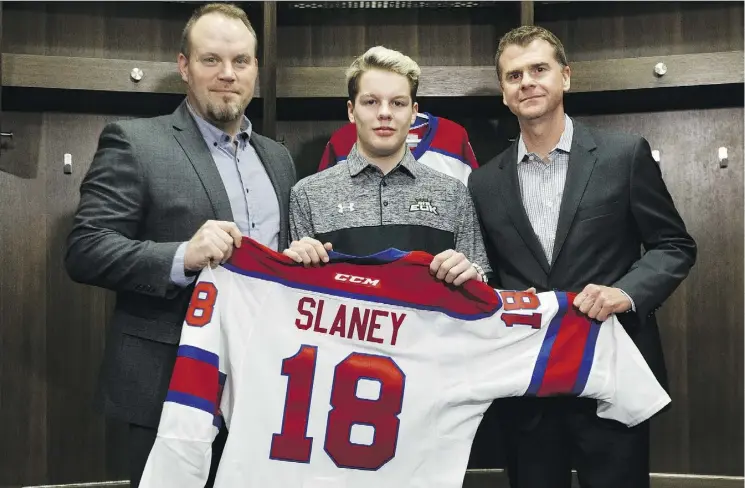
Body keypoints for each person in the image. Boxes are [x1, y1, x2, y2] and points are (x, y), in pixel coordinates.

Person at [64, 4, 296, 487]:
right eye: (211, 60)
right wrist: (180, 257)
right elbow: (85, 248)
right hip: (166, 386)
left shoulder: (277, 158)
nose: (227, 74)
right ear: (184, 66)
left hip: (262, 388)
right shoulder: (135, 141)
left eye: (241, 61)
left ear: (257, 68)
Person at [468, 25, 697, 488]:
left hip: (612, 372)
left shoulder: (622, 155)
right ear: (504, 93)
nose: (527, 82)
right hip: (527, 382)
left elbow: (674, 246)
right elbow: (489, 273)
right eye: (514, 75)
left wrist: (625, 293)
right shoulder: (484, 183)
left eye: (539, 69)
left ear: (565, 77)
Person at [283, 46, 489, 285]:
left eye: (397, 103)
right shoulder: (307, 195)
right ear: (351, 111)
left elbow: (481, 283)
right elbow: (296, 298)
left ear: (413, 113)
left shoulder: (453, 194)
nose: (384, 113)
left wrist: (474, 274)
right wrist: (295, 267)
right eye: (371, 101)